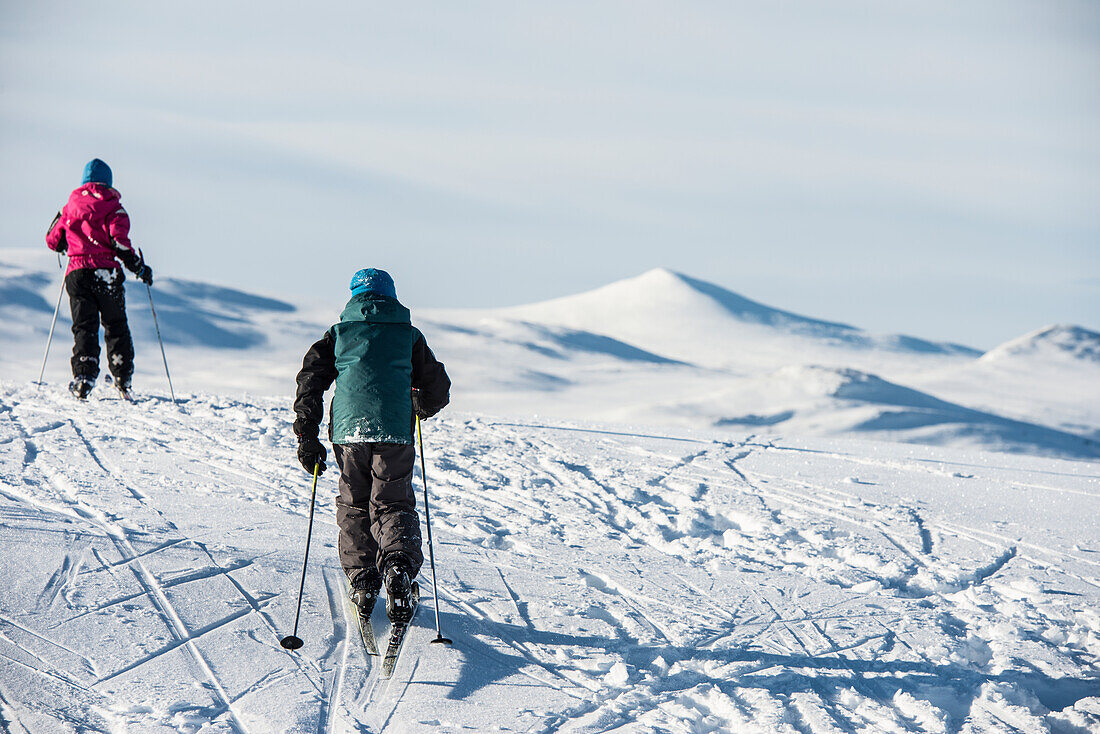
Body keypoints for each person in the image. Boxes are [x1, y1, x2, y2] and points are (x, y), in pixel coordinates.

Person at [293, 268, 450, 624]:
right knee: (392, 500)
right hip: (394, 429)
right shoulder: (409, 336)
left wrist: (307, 435)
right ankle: (397, 565)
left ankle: (363, 579)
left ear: (354, 297)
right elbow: (438, 386)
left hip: (349, 432)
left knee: (355, 503)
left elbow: (310, 381)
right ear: (391, 296)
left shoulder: (339, 334)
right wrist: (420, 408)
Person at [45, 158, 153, 399]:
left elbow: (53, 239)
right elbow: (120, 244)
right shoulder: (114, 208)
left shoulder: (69, 208)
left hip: (78, 272)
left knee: (84, 326)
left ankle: (84, 377)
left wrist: (69, 240)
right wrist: (140, 268)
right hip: (107, 273)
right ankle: (122, 377)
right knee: (116, 325)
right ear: (109, 182)